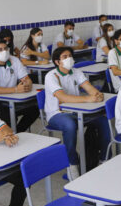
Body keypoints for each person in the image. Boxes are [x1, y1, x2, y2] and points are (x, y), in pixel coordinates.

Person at [44, 46, 109, 179]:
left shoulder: (76, 72)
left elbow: (89, 88)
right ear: (57, 62)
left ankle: (105, 158)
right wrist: (87, 99)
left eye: (70, 56)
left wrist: (97, 95)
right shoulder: (51, 76)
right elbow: (62, 98)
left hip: (77, 111)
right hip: (57, 113)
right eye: (65, 57)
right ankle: (72, 164)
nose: (69, 59)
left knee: (102, 120)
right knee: (70, 125)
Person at [0, 39, 39, 133]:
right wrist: (16, 89)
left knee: (35, 108)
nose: (4, 51)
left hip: (12, 98)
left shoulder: (14, 60)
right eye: (0, 50)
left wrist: (27, 84)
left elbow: (26, 78)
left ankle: (19, 132)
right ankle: (11, 132)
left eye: (5, 48)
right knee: (7, 117)